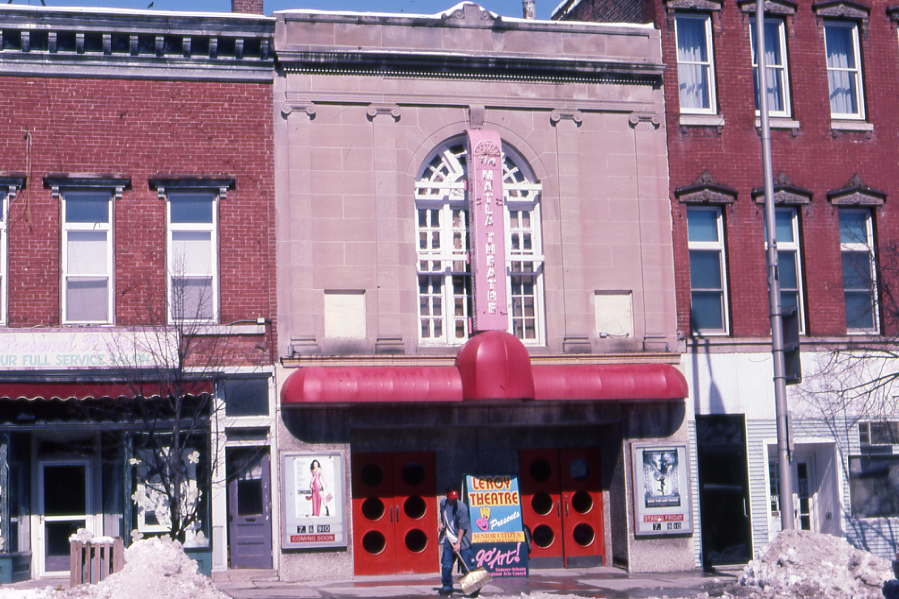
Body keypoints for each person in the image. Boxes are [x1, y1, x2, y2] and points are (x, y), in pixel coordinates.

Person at [438, 488, 476, 596]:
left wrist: (458, 543)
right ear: (447, 497)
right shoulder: (442, 504)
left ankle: (472, 589)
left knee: (466, 565)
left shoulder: (462, 508)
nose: (454, 501)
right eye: (451, 499)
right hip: (449, 539)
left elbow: (462, 529)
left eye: (455, 499)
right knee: (446, 565)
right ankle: (447, 587)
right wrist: (442, 525)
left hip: (463, 539)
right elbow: (444, 518)